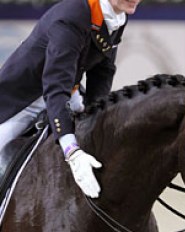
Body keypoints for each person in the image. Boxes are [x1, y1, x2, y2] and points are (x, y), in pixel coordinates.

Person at [0, 0, 142, 198]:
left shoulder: (117, 16)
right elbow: (55, 85)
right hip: (24, 100)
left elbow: (102, 72)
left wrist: (97, 116)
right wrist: (72, 151)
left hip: (69, 92)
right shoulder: (72, 16)